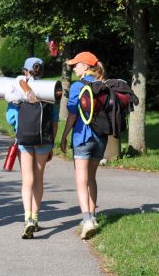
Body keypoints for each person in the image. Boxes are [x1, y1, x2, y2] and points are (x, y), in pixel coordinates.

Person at [5, 57, 59, 239]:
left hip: (25, 139)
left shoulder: (19, 89)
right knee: (38, 178)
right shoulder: (49, 90)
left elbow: (11, 118)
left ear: (25, 70)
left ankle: (27, 217)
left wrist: (18, 129)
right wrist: (52, 142)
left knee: (27, 178)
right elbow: (54, 121)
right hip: (44, 140)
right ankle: (35, 218)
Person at [59, 51, 107, 240]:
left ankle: (86, 220)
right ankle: (93, 217)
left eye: (76, 64)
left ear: (86, 66)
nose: (73, 67)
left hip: (82, 136)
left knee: (81, 179)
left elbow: (72, 114)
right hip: (101, 138)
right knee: (91, 178)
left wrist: (64, 137)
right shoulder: (103, 84)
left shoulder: (78, 85)